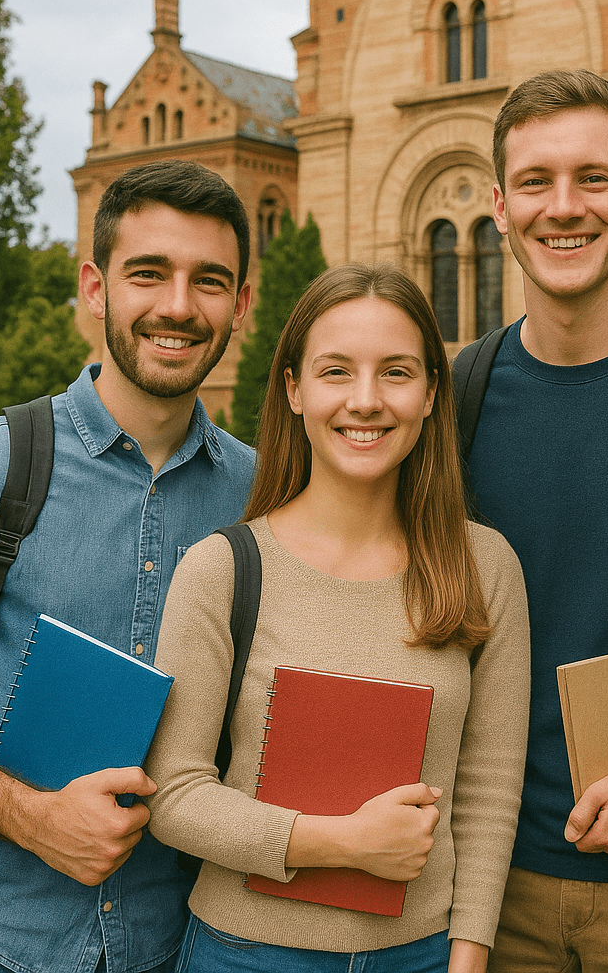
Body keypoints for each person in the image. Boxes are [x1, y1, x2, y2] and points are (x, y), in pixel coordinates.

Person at [144, 262, 531, 973]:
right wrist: (340, 843)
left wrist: (469, 952)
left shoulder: (484, 567)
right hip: (243, 954)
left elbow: (490, 786)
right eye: (335, 372)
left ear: (430, 393)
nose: (365, 400)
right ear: (293, 389)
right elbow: (174, 794)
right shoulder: (222, 569)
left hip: (421, 956)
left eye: (395, 372)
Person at [0, 159, 256, 973]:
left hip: (183, 946)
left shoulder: (264, 498)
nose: (179, 307)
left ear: (244, 305)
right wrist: (27, 816)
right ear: (96, 287)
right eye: (148, 273)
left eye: (210, 280)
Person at [462, 68, 608, 972]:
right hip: (491, 890)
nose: (564, 207)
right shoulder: (458, 400)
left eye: (593, 179)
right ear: (499, 205)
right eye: (536, 182)